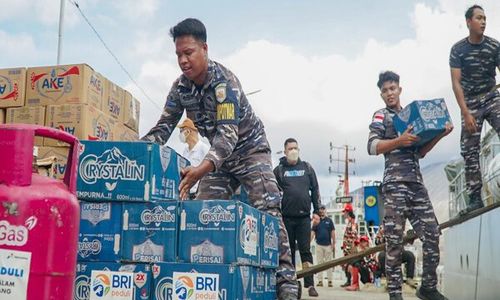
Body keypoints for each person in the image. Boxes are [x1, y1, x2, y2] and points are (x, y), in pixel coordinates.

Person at [141, 18, 298, 299]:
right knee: (204, 213)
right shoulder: (180, 89)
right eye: (178, 54)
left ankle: (285, 284)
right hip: (219, 162)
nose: (183, 60)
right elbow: (162, 129)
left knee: (268, 207)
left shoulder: (225, 83)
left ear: (204, 48)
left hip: (249, 151)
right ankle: (211, 277)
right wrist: (139, 152)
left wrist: (200, 170)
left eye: (188, 52)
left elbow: (228, 135)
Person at [367, 71, 452, 300]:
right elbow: (372, 146)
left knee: (433, 235)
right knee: (394, 244)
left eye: (392, 88)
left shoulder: (410, 116)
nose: (389, 93)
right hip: (394, 185)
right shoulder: (381, 116)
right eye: (385, 90)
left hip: (416, 184)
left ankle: (428, 287)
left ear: (399, 89)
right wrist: (398, 141)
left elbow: (420, 152)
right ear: (381, 94)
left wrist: (441, 135)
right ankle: (395, 295)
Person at [449, 5, 500, 214]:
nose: (483, 21)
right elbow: (456, 83)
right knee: (469, 149)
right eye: (479, 18)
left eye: (485, 18)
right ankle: (474, 198)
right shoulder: (458, 49)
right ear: (469, 22)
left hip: (492, 96)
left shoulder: (494, 46)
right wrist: (465, 112)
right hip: (470, 103)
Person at [274, 138, 321, 297]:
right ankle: (292, 284)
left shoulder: (307, 168)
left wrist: (317, 211)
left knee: (306, 251)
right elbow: (273, 193)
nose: (293, 151)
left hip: (303, 218)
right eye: (290, 148)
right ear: (285, 151)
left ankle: (310, 284)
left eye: (296, 148)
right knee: (289, 252)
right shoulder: (279, 171)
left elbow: (315, 189)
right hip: (286, 218)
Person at [177, 118, 210, 199]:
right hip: (187, 193)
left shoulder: (204, 148)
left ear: (188, 131)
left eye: (181, 130)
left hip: (199, 194)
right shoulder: (185, 151)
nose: (180, 134)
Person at [311, 205, 335, 288]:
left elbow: (332, 232)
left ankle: (330, 281)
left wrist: (334, 243)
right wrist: (309, 242)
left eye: (323, 209)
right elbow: (313, 232)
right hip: (319, 245)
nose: (322, 210)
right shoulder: (316, 221)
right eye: (320, 209)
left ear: (325, 210)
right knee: (319, 263)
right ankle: (320, 281)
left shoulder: (329, 221)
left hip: (328, 245)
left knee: (329, 264)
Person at [340, 203, 358, 288]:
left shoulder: (353, 223)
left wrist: (351, 245)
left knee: (349, 264)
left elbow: (354, 235)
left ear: (348, 212)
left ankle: (349, 281)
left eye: (345, 212)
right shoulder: (349, 222)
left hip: (350, 248)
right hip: (347, 247)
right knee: (346, 264)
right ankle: (348, 280)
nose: (344, 214)